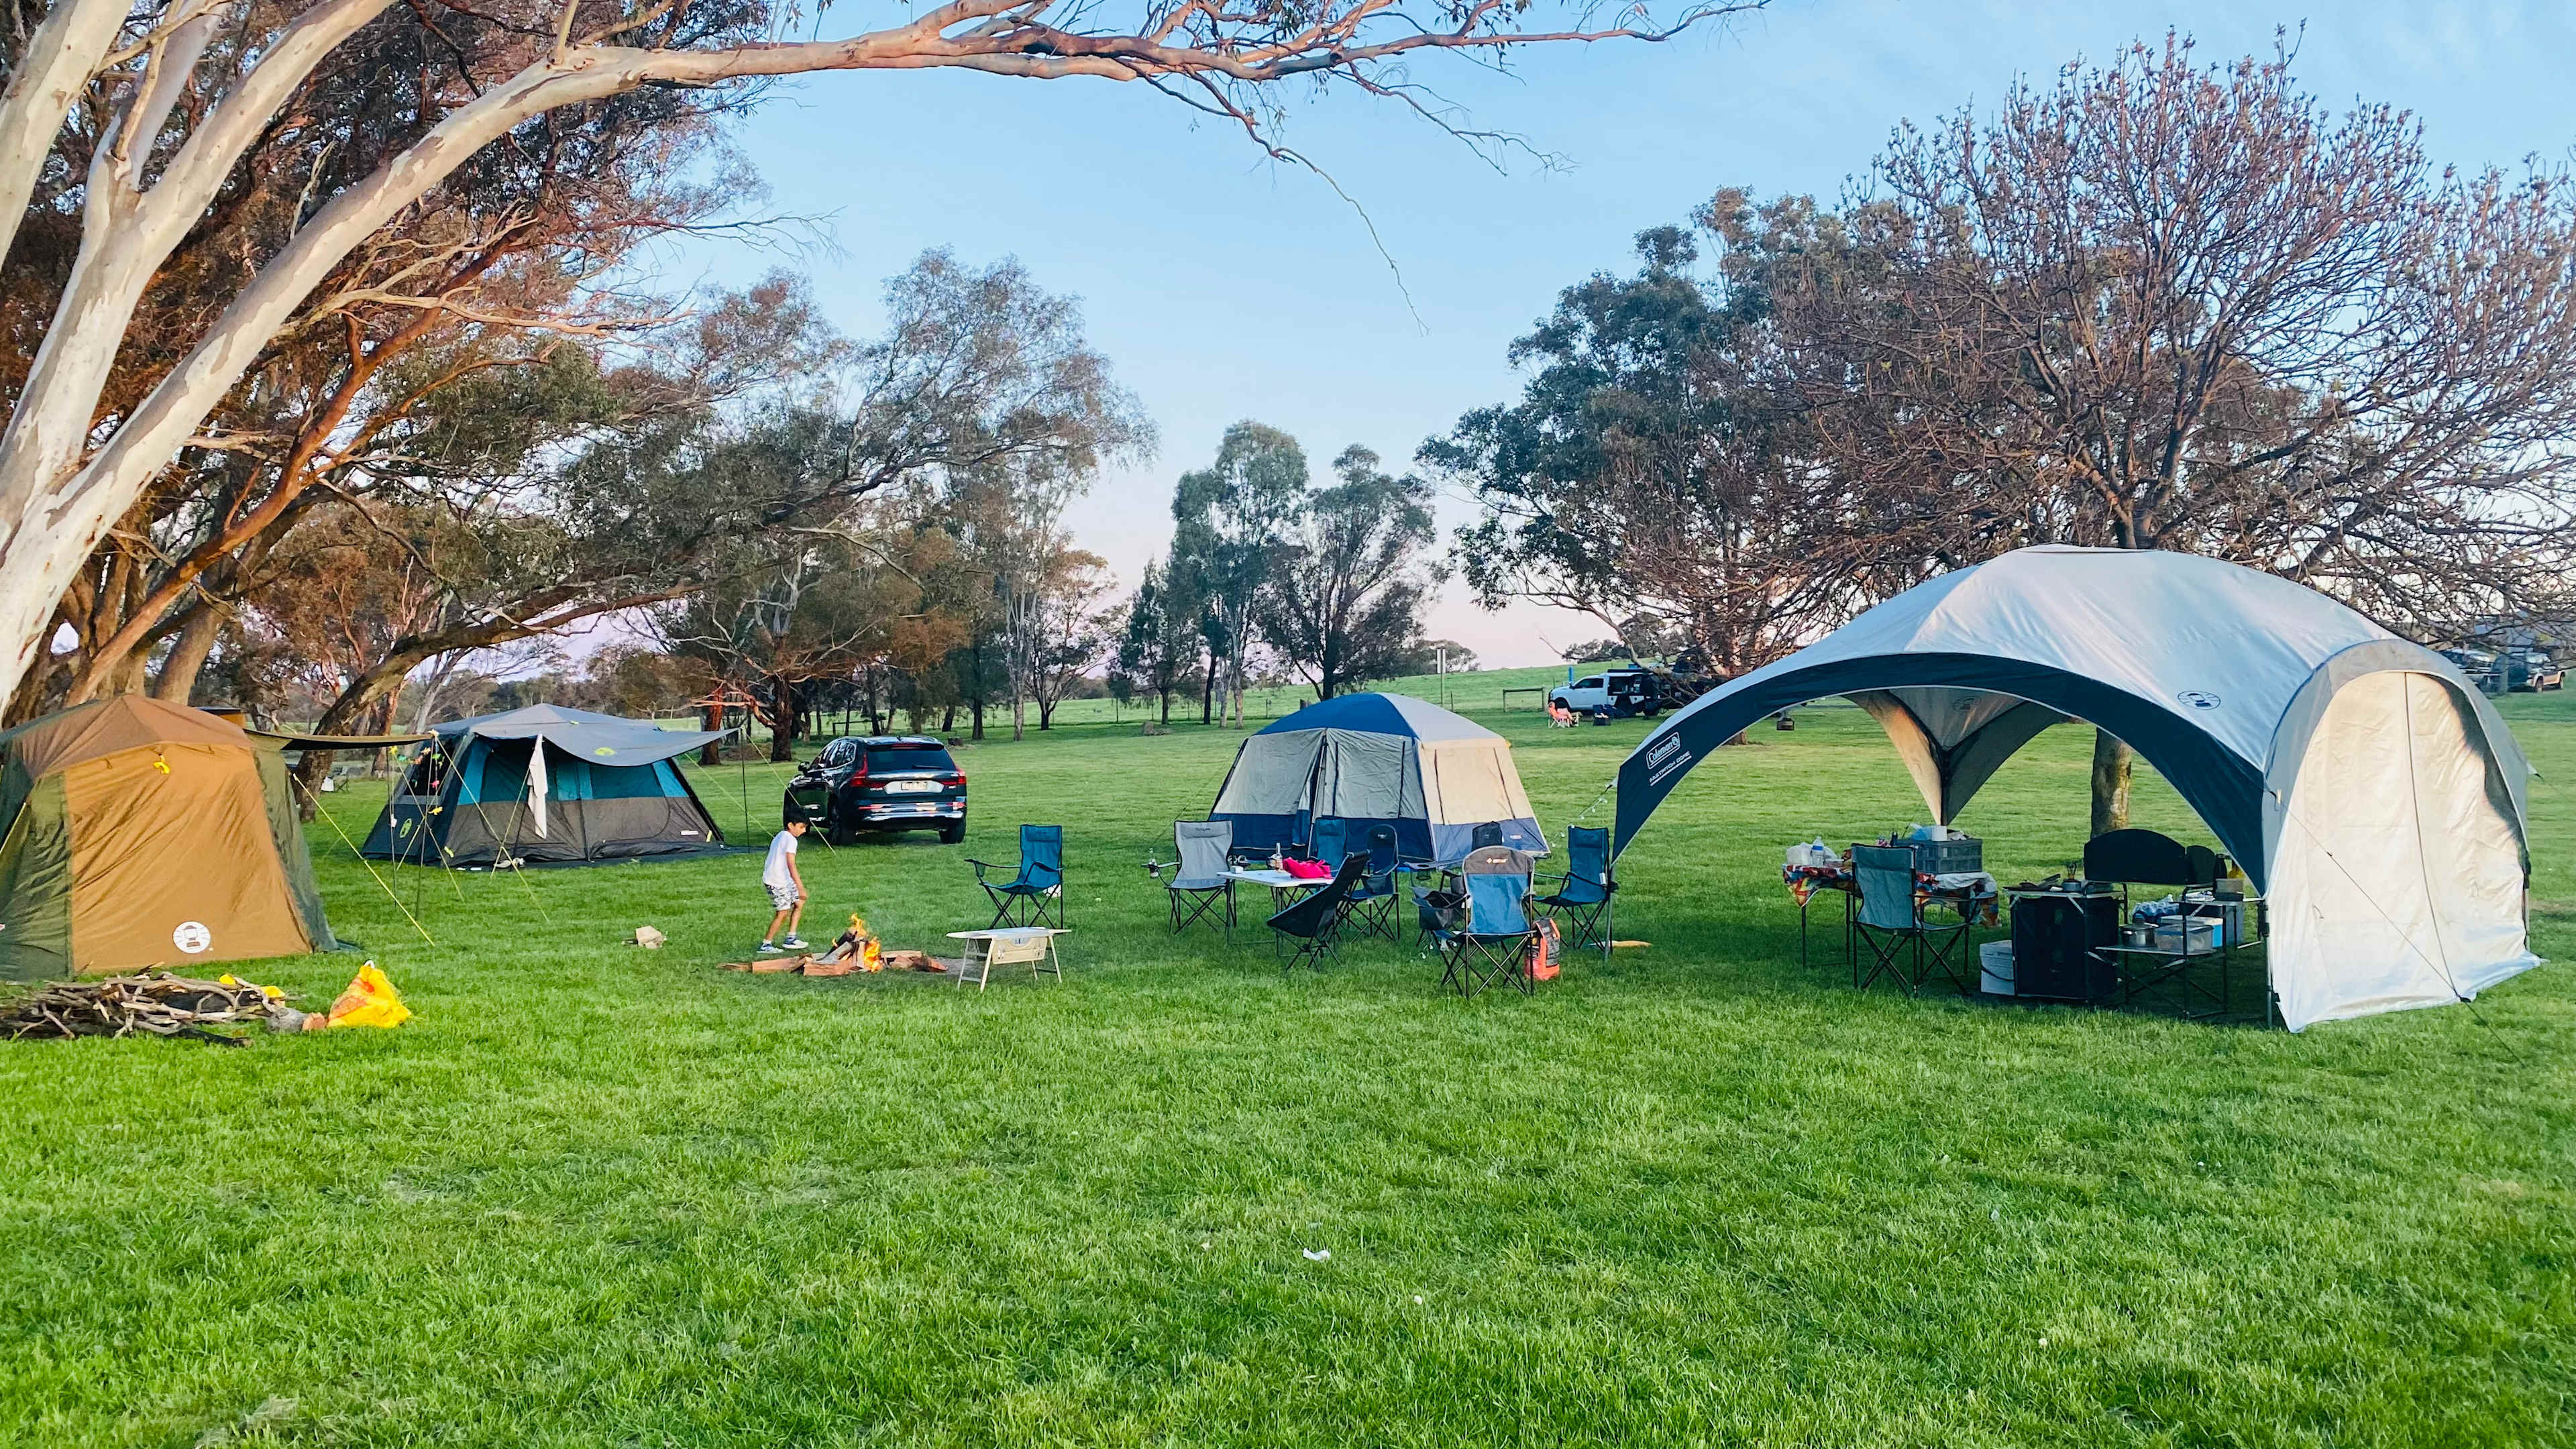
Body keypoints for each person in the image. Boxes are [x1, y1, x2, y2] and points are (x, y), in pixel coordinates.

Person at [758, 817, 809, 953]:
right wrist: (800, 887)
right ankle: (766, 945)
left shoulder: (782, 835)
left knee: (799, 903)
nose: (803, 831)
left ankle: (791, 939)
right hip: (776, 880)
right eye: (801, 827)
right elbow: (791, 864)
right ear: (791, 825)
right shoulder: (791, 840)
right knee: (782, 913)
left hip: (784, 878)